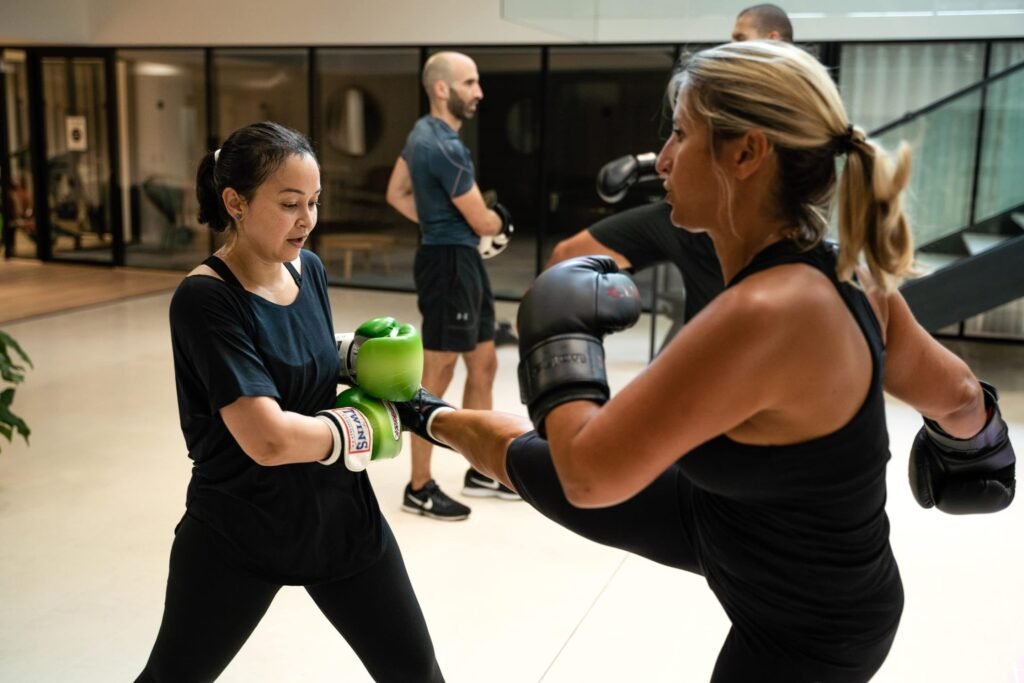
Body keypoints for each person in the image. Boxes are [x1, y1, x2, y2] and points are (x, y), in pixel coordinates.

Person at [393, 40, 1015, 681]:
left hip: (809, 636)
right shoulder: (849, 274)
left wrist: (558, 335)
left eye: (681, 134)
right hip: (734, 521)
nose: (662, 159)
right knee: (526, 458)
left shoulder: (762, 314)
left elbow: (587, 473)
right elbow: (960, 395)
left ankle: (418, 410)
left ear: (745, 153)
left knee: (570, 470)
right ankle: (417, 409)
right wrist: (979, 449)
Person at [136, 122, 444, 683]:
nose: (308, 219)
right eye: (289, 204)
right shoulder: (205, 298)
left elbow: (300, 358)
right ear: (236, 202)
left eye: (314, 202)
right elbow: (269, 439)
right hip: (241, 528)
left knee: (416, 673)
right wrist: (363, 426)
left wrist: (360, 359)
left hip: (340, 518)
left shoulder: (310, 268)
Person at [546, 3, 794, 341]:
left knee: (716, 342)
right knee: (567, 257)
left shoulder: (781, 103)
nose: (730, 46)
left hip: (728, 218)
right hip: (696, 212)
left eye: (739, 38)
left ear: (773, 39)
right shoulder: (730, 89)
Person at [386, 51, 519, 521]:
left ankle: (480, 471)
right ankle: (419, 487)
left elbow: (396, 193)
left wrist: (439, 222)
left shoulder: (420, 134)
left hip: (459, 259)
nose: (479, 92)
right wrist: (500, 221)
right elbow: (483, 220)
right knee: (438, 371)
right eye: (470, 83)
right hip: (448, 266)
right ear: (442, 89)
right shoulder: (444, 145)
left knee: (484, 362)